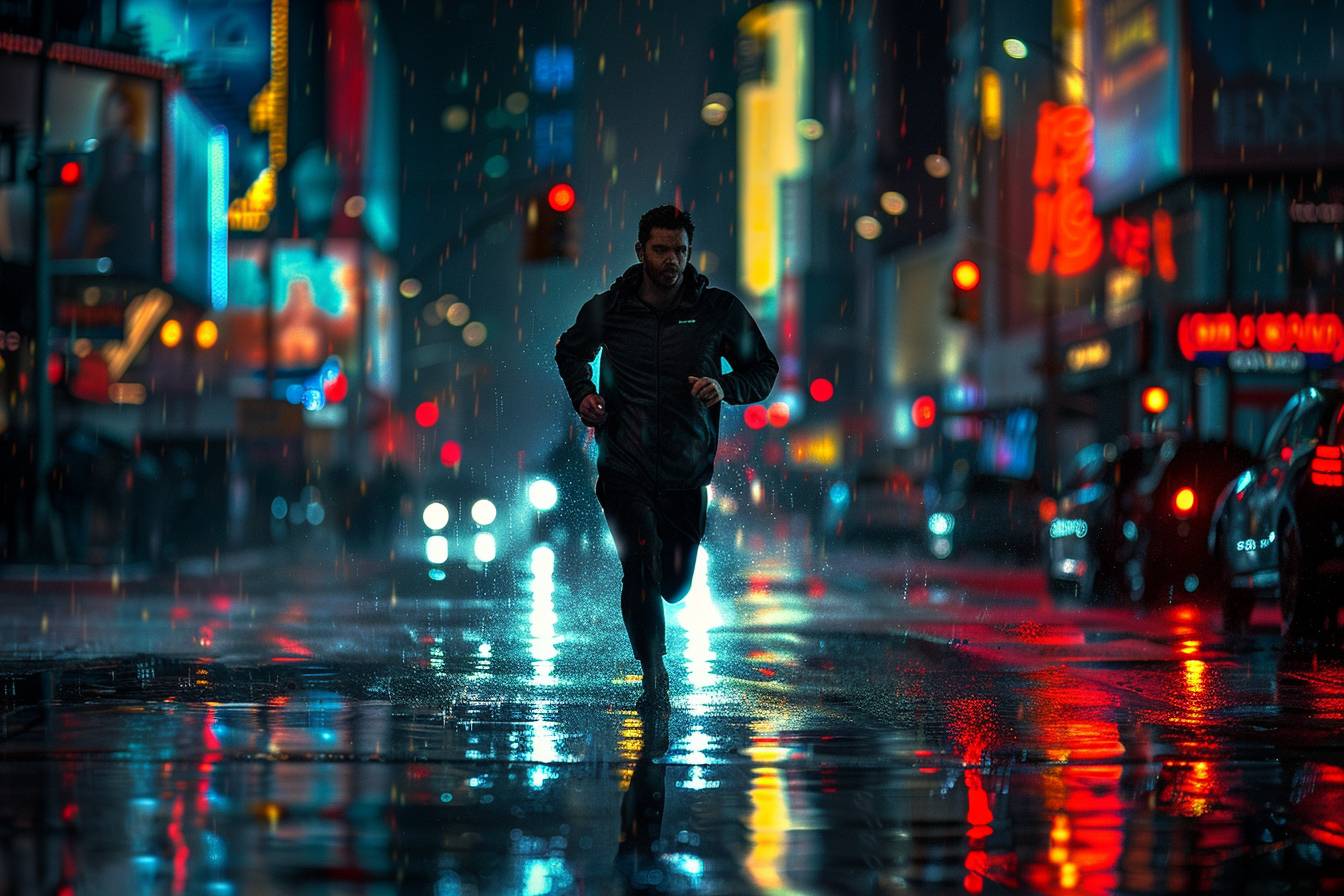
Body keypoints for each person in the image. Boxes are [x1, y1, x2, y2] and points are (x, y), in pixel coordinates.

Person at [554, 204, 779, 713]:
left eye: (680, 250)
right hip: (623, 467)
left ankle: (655, 650)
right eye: (661, 249)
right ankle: (654, 672)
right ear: (640, 252)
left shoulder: (717, 310)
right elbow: (570, 351)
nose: (671, 260)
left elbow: (763, 369)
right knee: (640, 563)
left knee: (674, 585)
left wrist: (724, 386)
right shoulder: (611, 308)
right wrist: (583, 396)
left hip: (685, 473)